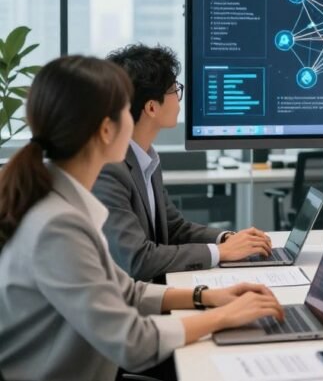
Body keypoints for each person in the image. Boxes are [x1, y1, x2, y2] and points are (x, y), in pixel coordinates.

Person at [0, 56, 284, 381]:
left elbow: (127, 292)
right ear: (107, 130)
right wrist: (223, 317)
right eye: (125, 110)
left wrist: (207, 296)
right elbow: (132, 341)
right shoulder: (56, 225)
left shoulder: (62, 205)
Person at [92, 44, 272, 282]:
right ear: (152, 107)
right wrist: (221, 253)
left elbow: (174, 228)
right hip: (128, 305)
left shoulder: (146, 158)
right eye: (174, 89)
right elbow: (137, 260)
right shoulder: (109, 169)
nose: (179, 98)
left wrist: (227, 239)